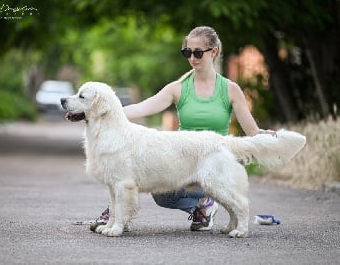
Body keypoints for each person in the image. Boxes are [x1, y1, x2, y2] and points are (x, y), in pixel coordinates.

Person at [89, 25, 275, 232]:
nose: (192, 58)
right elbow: (143, 107)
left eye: (197, 53)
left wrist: (264, 137)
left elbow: (252, 131)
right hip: (183, 158)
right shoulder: (178, 88)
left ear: (214, 52)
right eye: (187, 52)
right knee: (161, 193)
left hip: (215, 156)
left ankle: (211, 203)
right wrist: (108, 111)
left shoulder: (230, 89)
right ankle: (201, 204)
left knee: (217, 185)